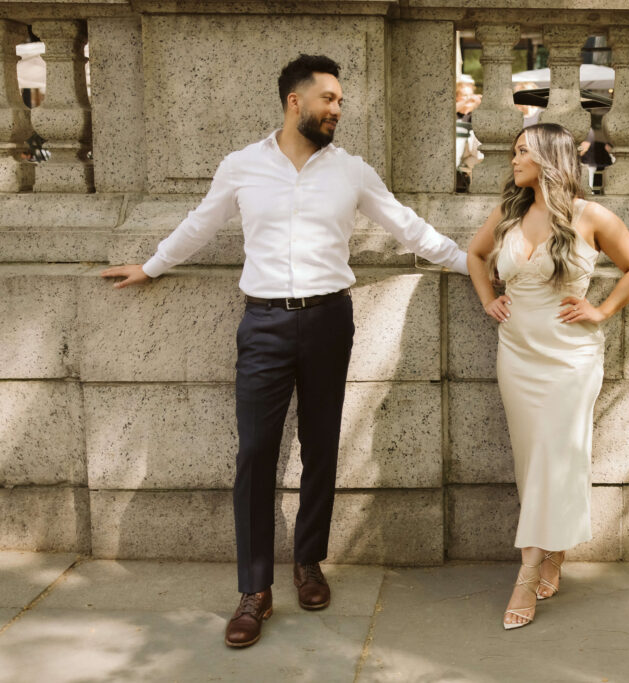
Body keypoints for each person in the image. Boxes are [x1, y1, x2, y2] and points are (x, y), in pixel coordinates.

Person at [101, 54, 468, 648]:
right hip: (264, 325)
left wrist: (471, 263)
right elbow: (201, 224)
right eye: (329, 99)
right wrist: (150, 265)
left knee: (321, 445)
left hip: (329, 320)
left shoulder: (350, 170)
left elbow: (408, 226)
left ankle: (308, 562)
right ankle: (254, 590)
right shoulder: (243, 166)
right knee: (255, 453)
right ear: (295, 101)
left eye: (341, 101)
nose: (338, 109)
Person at [466, 123, 629, 630]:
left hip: (571, 360)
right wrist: (488, 299)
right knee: (533, 460)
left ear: (550, 158)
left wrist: (603, 309)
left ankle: (528, 569)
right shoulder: (509, 213)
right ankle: (553, 551)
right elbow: (475, 255)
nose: (513, 160)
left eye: (522, 152)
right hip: (517, 356)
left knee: (555, 455)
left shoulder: (593, 217)